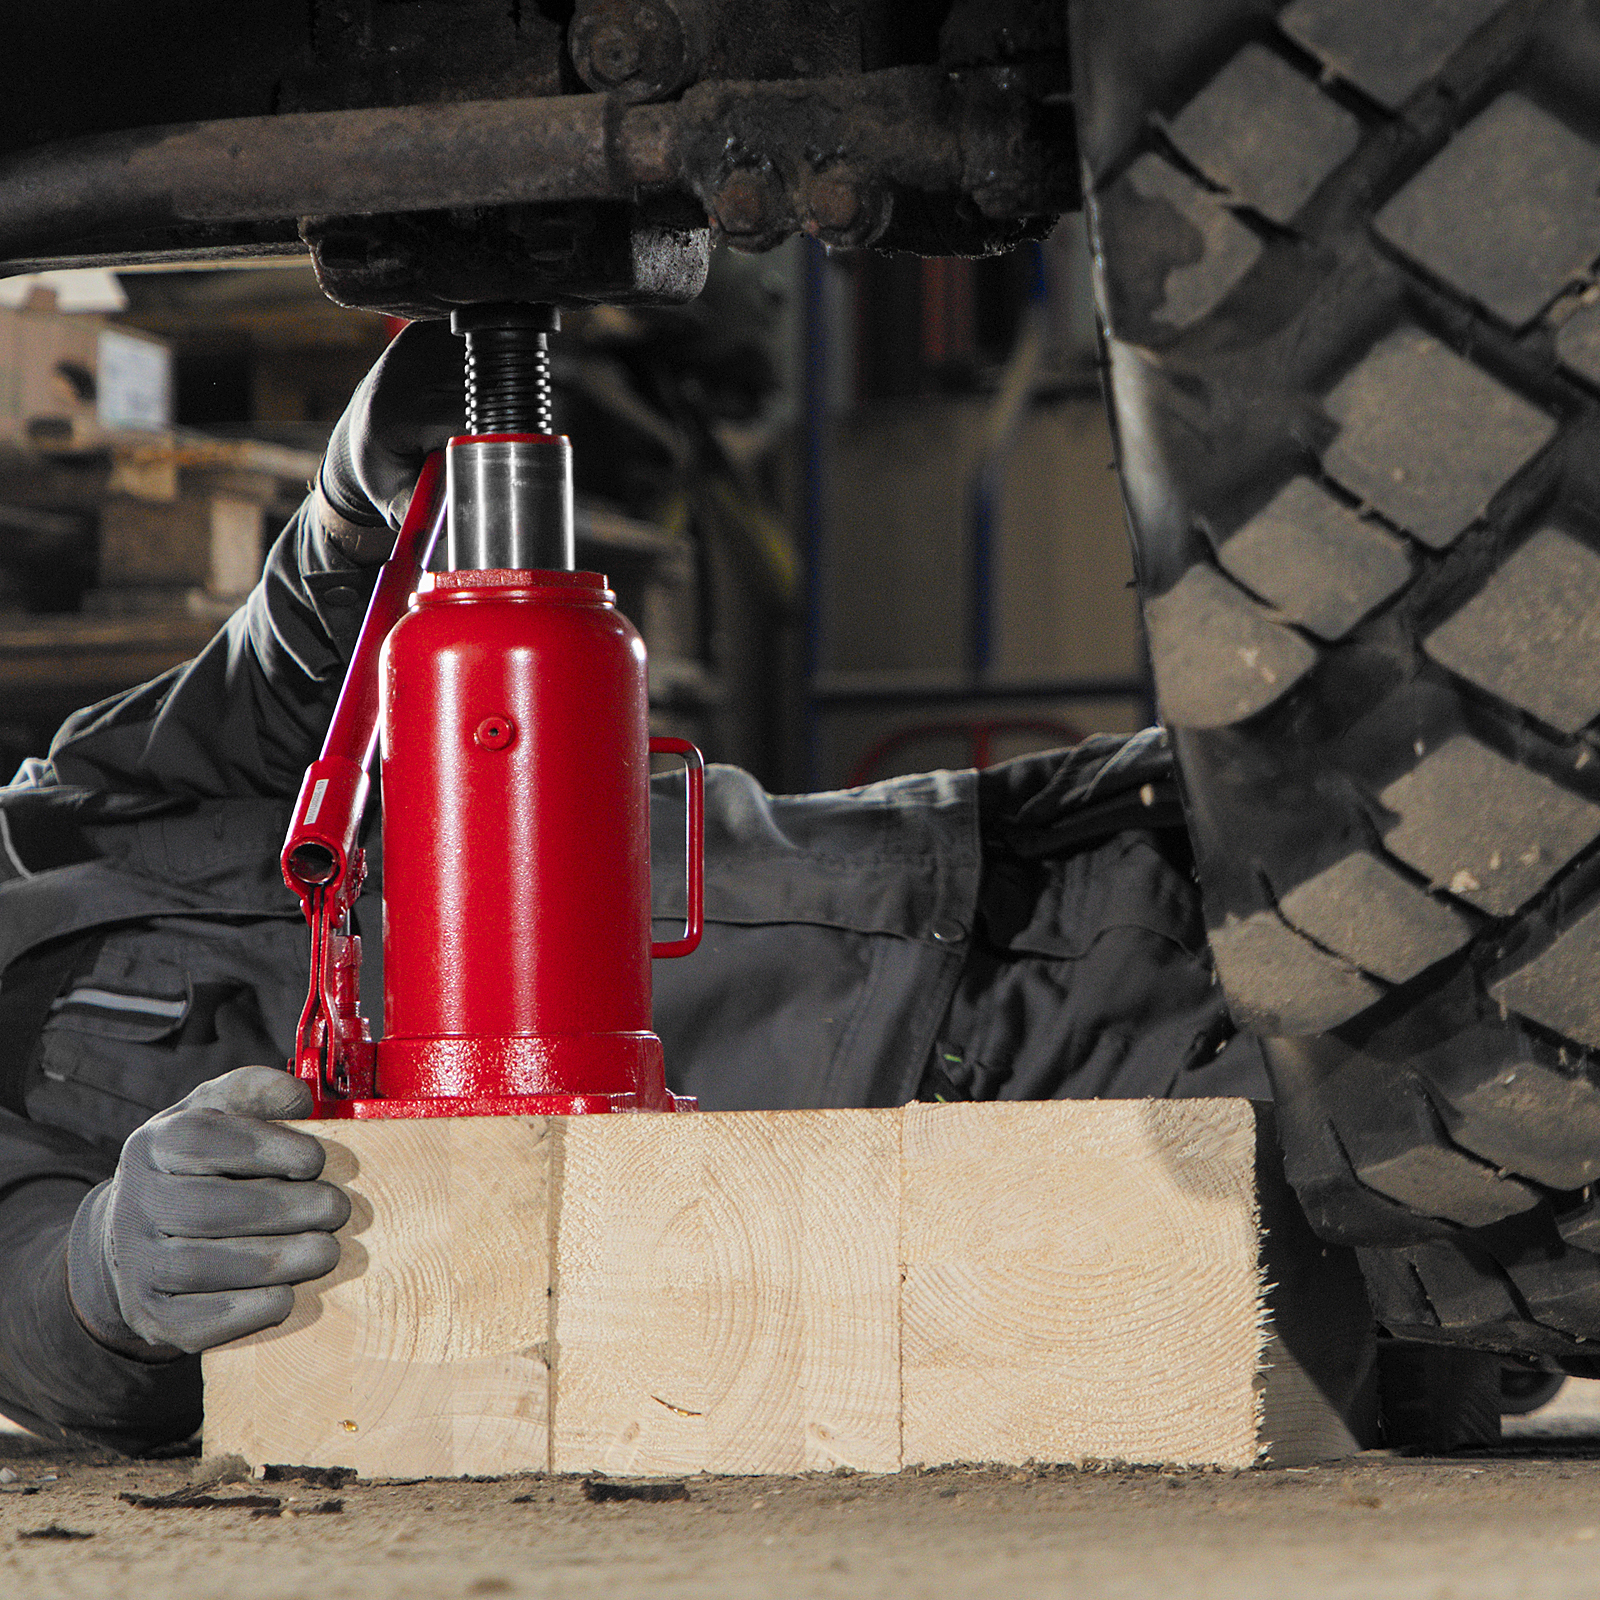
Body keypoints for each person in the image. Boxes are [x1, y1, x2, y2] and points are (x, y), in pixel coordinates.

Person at [0, 324, 1268, 1451]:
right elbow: (43, 1328)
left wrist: (347, 504)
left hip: (1001, 848)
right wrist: (107, 1276)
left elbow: (278, 677)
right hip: (970, 1141)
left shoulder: (73, 810)